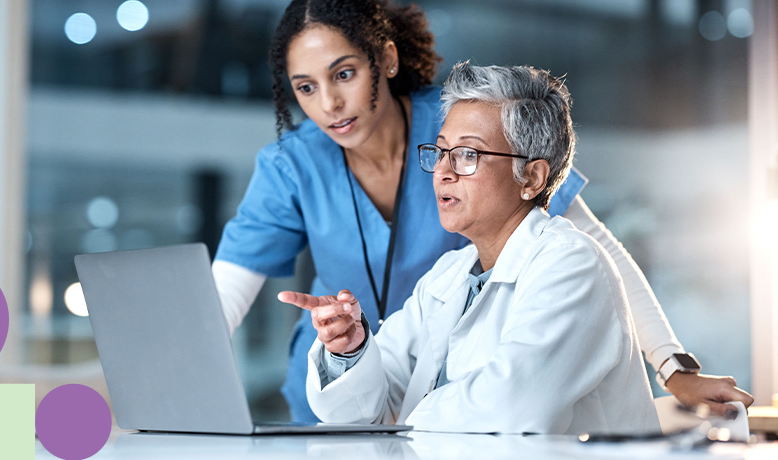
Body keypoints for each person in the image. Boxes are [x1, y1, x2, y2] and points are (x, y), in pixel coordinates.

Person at [212, 0, 753, 423]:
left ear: (387, 60)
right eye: (306, 87)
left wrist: (672, 366)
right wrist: (349, 350)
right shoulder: (297, 167)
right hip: (381, 392)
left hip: (449, 409)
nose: (328, 104)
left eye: (345, 75)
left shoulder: (466, 127)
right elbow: (220, 304)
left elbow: (598, 252)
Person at [282, 63, 659, 433]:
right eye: (442, 151)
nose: (444, 171)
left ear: (531, 177)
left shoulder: (572, 264)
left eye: (467, 155)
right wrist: (350, 351)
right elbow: (371, 405)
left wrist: (402, 423)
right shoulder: (450, 274)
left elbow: (511, 407)